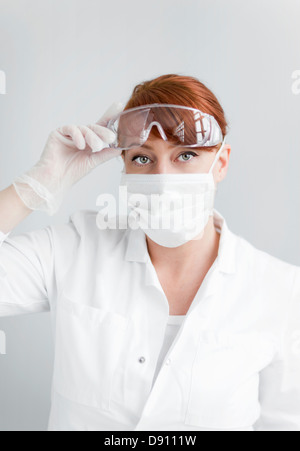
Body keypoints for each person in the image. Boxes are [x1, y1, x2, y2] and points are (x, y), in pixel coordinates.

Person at [0, 74, 299, 431]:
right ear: (123, 166)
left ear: (220, 163)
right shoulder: (75, 248)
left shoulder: (282, 292)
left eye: (185, 155)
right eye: (143, 159)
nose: (163, 178)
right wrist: (37, 184)